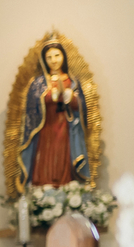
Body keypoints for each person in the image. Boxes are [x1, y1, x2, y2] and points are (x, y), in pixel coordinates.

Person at [17, 41, 90, 190]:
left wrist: (73, 99)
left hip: (65, 127)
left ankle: (64, 186)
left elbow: (83, 109)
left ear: (63, 56)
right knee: (44, 158)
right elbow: (31, 107)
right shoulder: (38, 83)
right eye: (49, 57)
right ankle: (42, 188)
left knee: (62, 157)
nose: (54, 60)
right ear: (44, 60)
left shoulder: (72, 82)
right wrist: (46, 97)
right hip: (44, 128)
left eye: (57, 55)